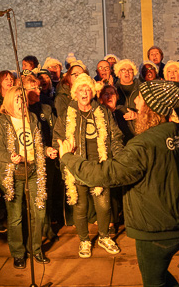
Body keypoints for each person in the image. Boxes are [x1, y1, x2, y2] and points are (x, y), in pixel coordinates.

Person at [59, 80, 179, 287]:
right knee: (161, 275)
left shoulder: (142, 144)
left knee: (153, 280)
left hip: (158, 229)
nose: (135, 100)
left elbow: (106, 174)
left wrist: (68, 157)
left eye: (140, 98)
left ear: (150, 107)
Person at [55, 75, 125, 257]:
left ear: (92, 92)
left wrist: (118, 158)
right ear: (75, 93)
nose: (84, 93)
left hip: (100, 164)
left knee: (103, 205)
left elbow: (115, 135)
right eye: (81, 90)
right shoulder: (67, 114)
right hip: (78, 166)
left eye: (87, 90)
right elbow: (58, 138)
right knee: (80, 206)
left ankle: (103, 236)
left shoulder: (102, 111)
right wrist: (63, 153)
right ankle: (84, 240)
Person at [0, 86, 54, 268]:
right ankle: (18, 253)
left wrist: (46, 150)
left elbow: (37, 144)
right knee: (15, 216)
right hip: (13, 174)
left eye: (23, 98)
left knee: (39, 211)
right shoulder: (2, 122)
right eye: (18, 98)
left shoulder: (32, 118)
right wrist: (11, 158)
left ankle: (35, 248)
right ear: (10, 101)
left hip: (35, 170)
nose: (22, 102)